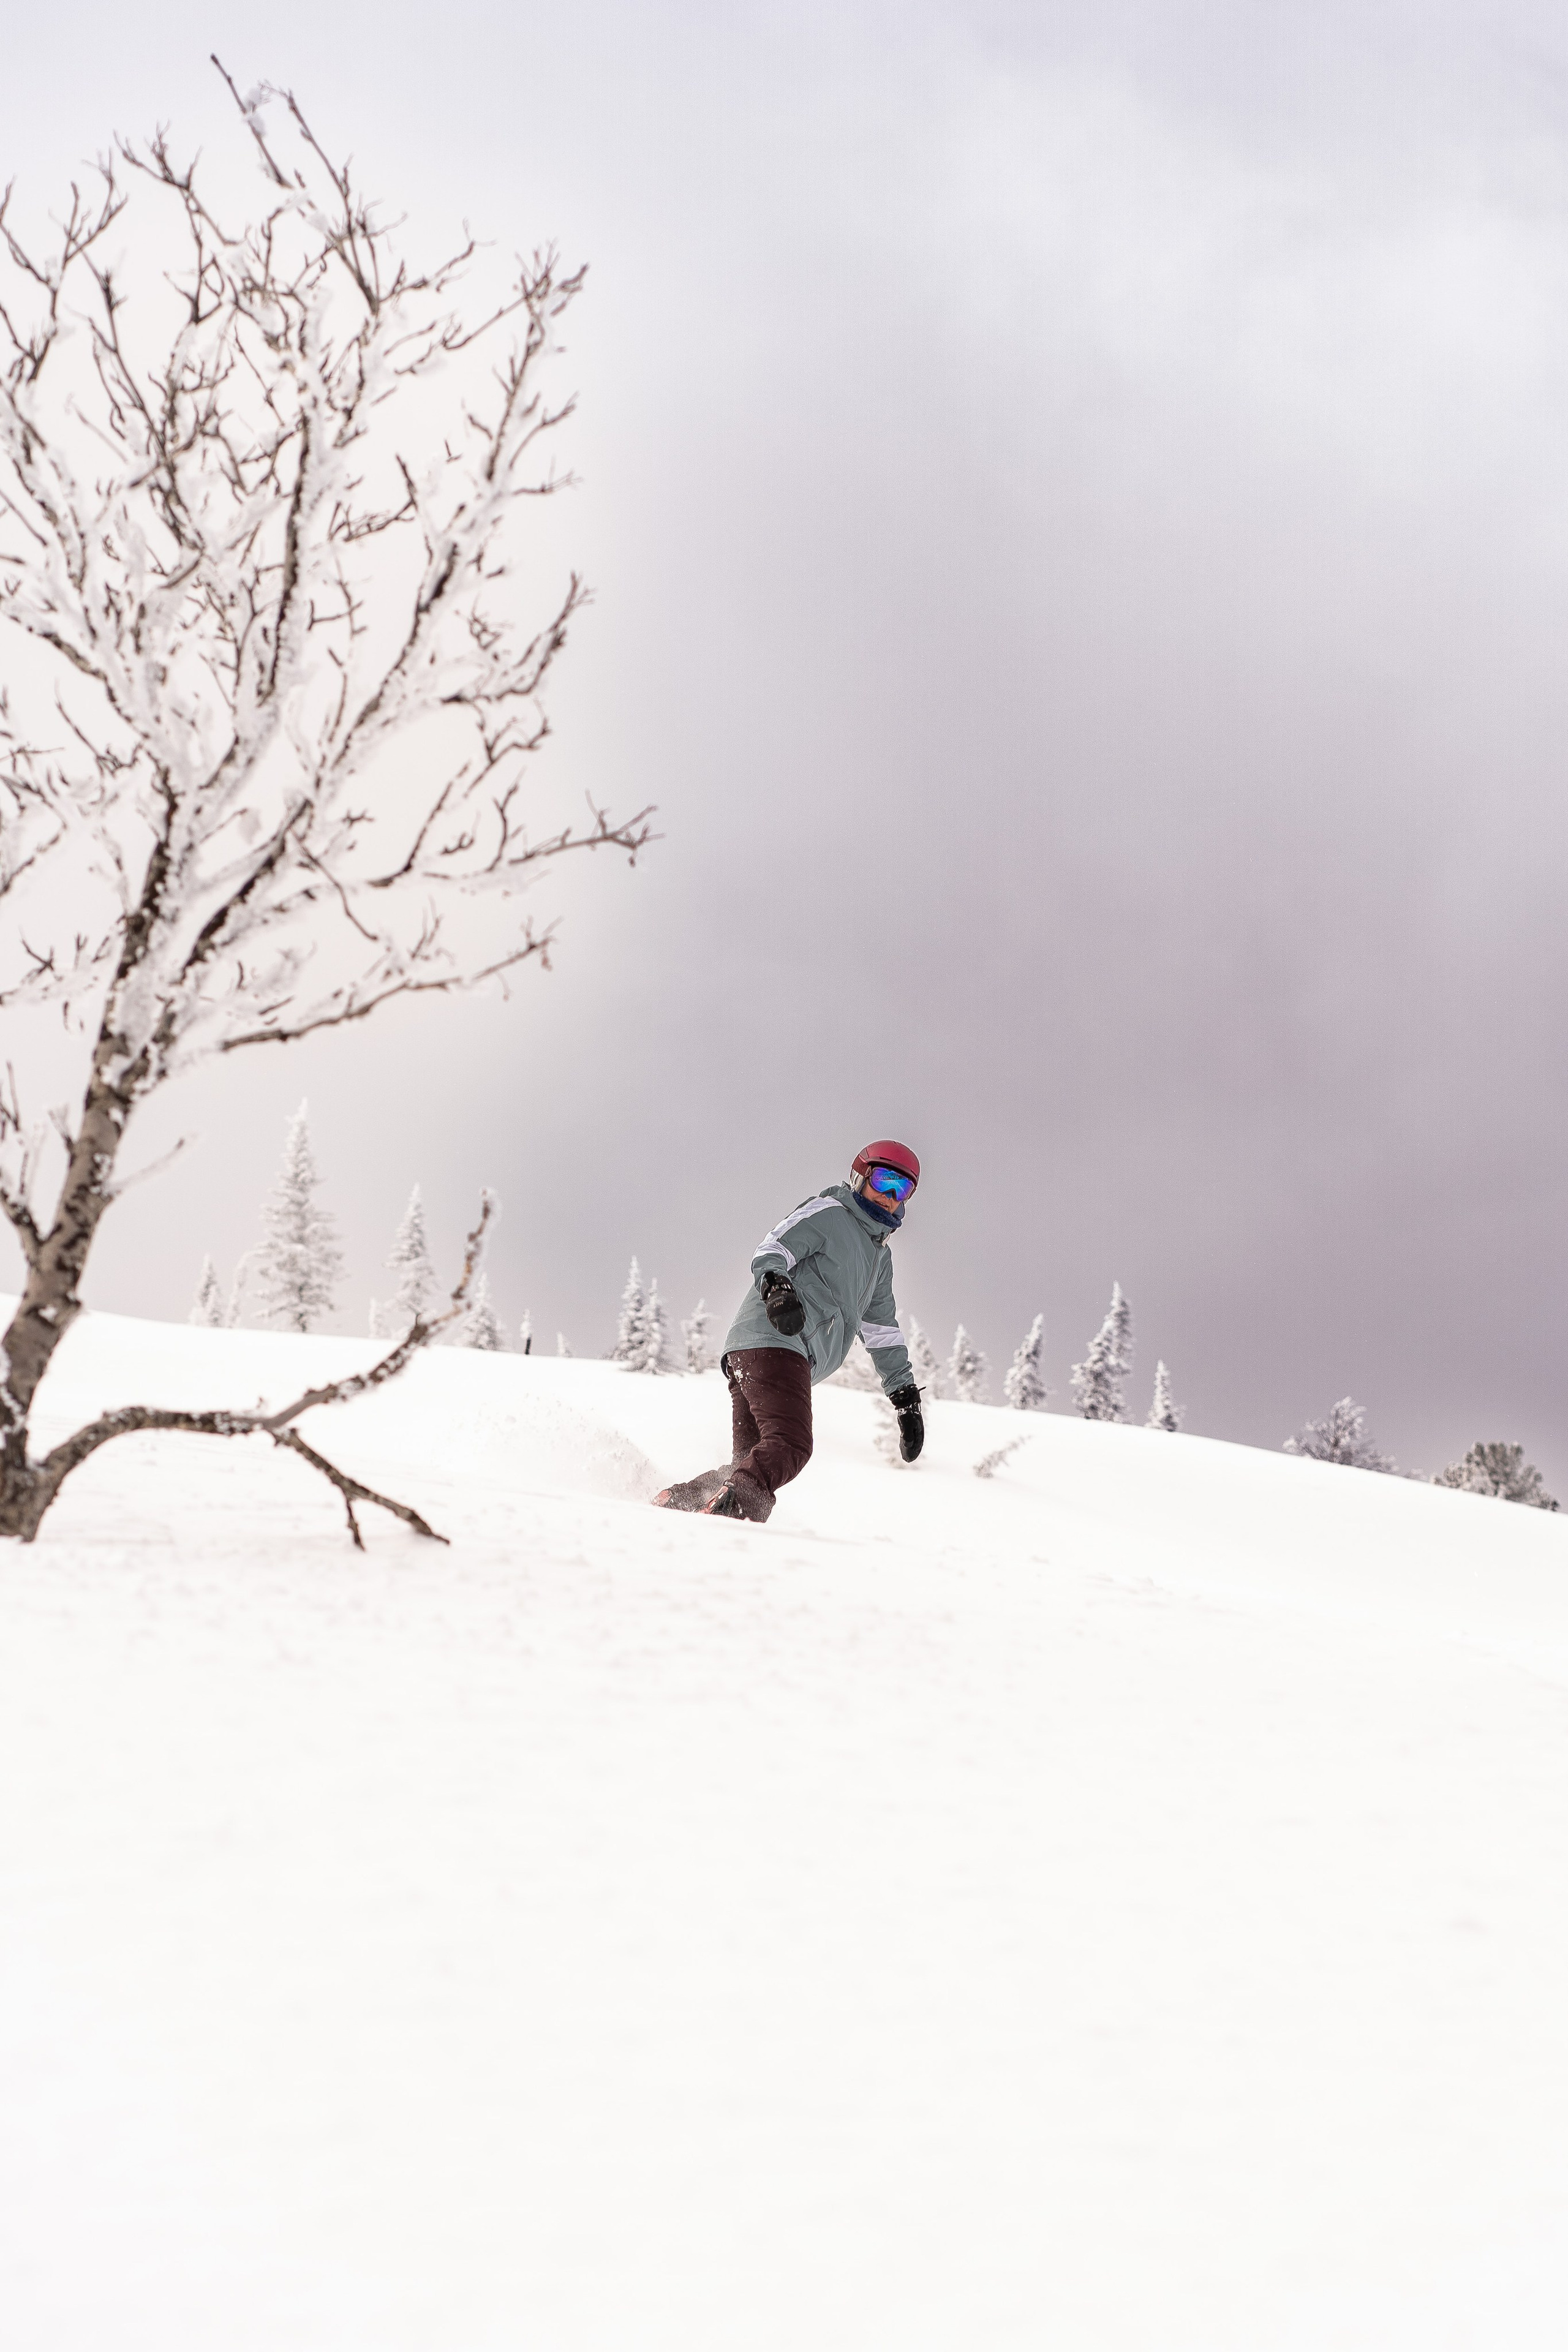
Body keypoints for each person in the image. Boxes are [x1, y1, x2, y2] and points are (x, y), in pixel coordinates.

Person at [654, 1140, 926, 1521]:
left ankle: (678, 1501)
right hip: (776, 1340)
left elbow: (881, 1330)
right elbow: (774, 1248)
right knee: (791, 1444)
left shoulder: (879, 1257)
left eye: (903, 1190)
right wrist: (776, 1289)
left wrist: (904, 1396)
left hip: (766, 1352)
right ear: (859, 1176)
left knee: (749, 1463)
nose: (890, 1197)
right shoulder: (832, 1214)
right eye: (884, 1181)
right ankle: (729, 1516)